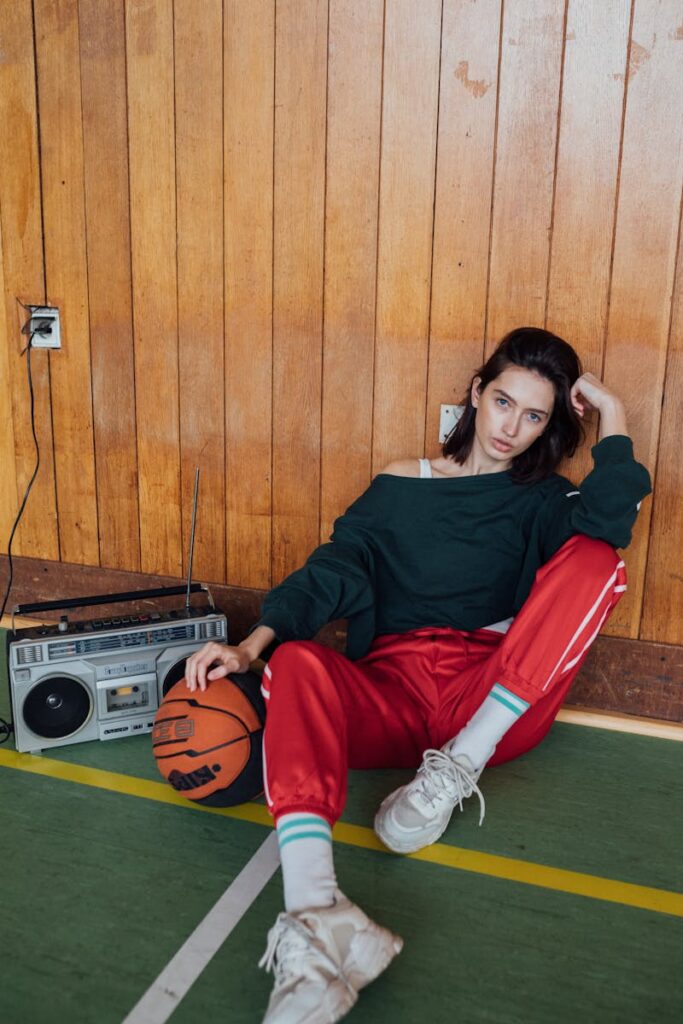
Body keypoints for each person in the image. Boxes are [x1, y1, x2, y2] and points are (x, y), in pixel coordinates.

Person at [185, 327, 651, 1024]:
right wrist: (253, 645)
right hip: (391, 695)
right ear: (475, 392)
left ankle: (456, 768)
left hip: (491, 699)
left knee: (595, 560)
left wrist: (611, 416)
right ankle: (316, 915)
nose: (511, 428)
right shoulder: (400, 485)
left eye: (534, 416)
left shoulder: (544, 502)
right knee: (298, 662)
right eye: (502, 402)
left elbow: (610, 521)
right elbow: (332, 572)